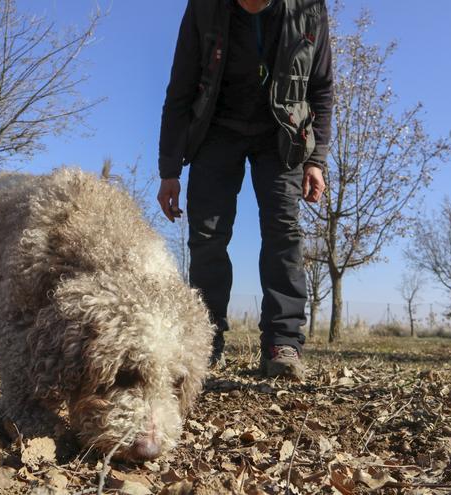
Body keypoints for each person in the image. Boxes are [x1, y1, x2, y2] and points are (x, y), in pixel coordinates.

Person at [156, 0, 333, 379]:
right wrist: (169, 170)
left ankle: (282, 342)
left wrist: (316, 160)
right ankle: (205, 340)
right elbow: (181, 87)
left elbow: (321, 89)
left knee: (283, 231)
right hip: (216, 129)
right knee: (207, 234)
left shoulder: (309, 8)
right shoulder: (203, 7)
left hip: (281, 134)